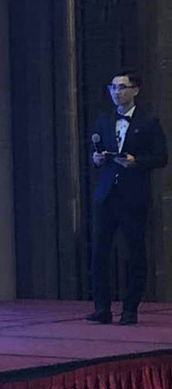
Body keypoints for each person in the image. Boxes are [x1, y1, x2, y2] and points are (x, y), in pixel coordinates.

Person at [87, 70, 167, 325]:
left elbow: (161, 157)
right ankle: (102, 307)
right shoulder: (104, 119)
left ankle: (130, 308)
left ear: (135, 90)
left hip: (133, 196)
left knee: (134, 252)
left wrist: (136, 161)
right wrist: (96, 159)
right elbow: (95, 152)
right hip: (107, 194)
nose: (116, 92)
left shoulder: (149, 121)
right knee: (99, 252)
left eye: (122, 87)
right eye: (113, 88)